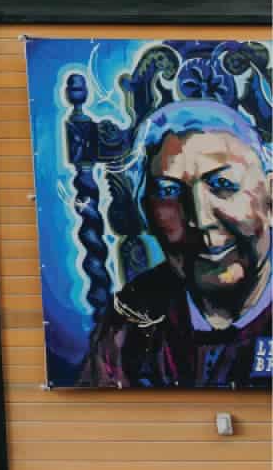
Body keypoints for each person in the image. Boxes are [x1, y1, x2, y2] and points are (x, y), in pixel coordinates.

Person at [82, 100, 271, 388]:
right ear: (147, 212)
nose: (200, 218)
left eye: (223, 185)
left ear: (269, 198)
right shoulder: (132, 316)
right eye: (169, 191)